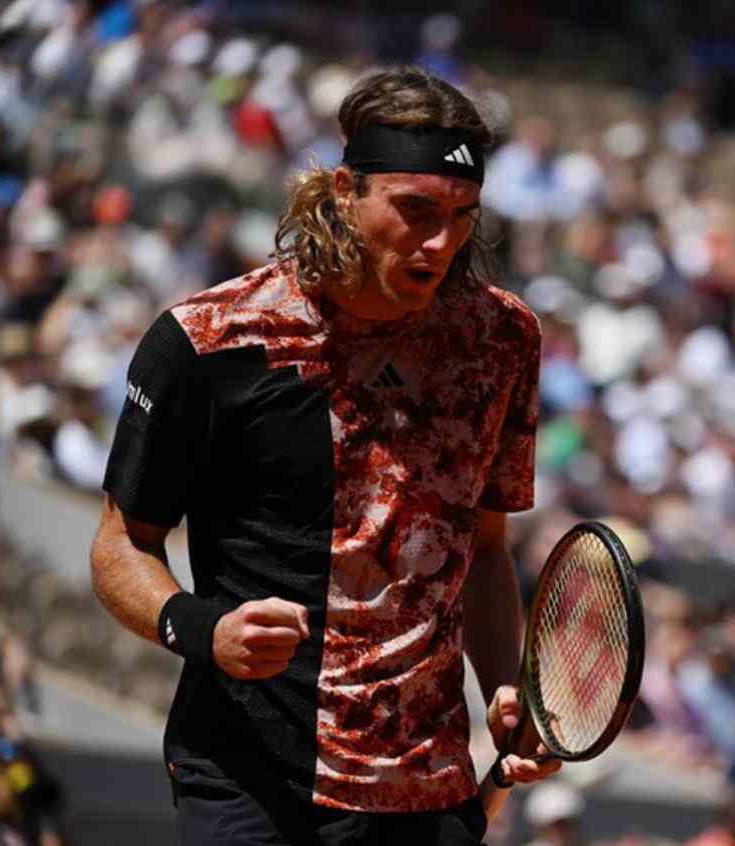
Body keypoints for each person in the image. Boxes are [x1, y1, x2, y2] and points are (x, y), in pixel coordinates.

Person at [90, 66, 555, 845]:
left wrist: (504, 688)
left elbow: (483, 549)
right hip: (246, 773)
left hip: (422, 790)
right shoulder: (208, 342)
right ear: (344, 190)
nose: (441, 243)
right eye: (415, 210)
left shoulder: (502, 341)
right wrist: (199, 627)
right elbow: (118, 546)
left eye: (463, 216)